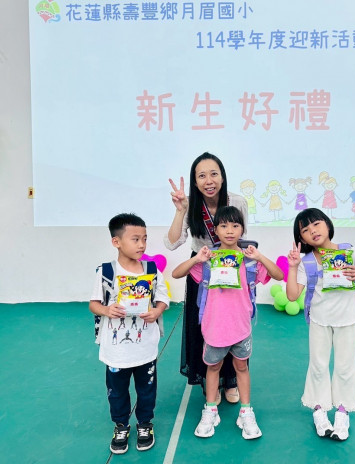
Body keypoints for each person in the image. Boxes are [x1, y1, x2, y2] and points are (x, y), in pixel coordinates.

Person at [172, 206, 283, 439]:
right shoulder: (209, 259)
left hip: (241, 327)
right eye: (223, 226)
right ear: (215, 230)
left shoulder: (249, 260)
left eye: (235, 225)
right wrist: (197, 259)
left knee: (241, 367)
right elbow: (176, 273)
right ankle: (210, 410)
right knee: (213, 367)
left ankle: (246, 411)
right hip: (214, 327)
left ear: (242, 229)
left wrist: (259, 256)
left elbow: (278, 275)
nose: (230, 231)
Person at [164, 152, 249, 404]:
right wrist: (180, 210)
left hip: (230, 265)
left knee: (232, 324)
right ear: (195, 181)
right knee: (205, 327)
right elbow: (172, 243)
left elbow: (242, 237)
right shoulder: (190, 204)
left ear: (222, 177)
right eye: (201, 176)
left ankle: (231, 380)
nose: (208, 180)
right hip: (202, 269)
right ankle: (210, 381)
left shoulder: (237, 201)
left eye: (213, 174)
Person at [285, 208, 355, 441]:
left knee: (345, 367)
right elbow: (292, 296)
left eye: (316, 224)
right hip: (320, 321)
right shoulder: (306, 261)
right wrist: (293, 267)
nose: (313, 231)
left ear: (327, 224)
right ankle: (319, 410)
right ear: (301, 238)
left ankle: (342, 413)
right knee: (318, 366)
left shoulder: (349, 251)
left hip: (348, 319)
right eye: (305, 230)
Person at [89, 213, 169, 454]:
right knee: (117, 392)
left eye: (144, 239)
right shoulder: (106, 272)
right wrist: (107, 310)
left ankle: (145, 424)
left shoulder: (152, 270)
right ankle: (121, 426)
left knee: (147, 389)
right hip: (116, 350)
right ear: (116, 242)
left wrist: (157, 311)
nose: (142, 244)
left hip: (145, 347)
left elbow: (163, 298)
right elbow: (94, 304)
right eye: (135, 239)